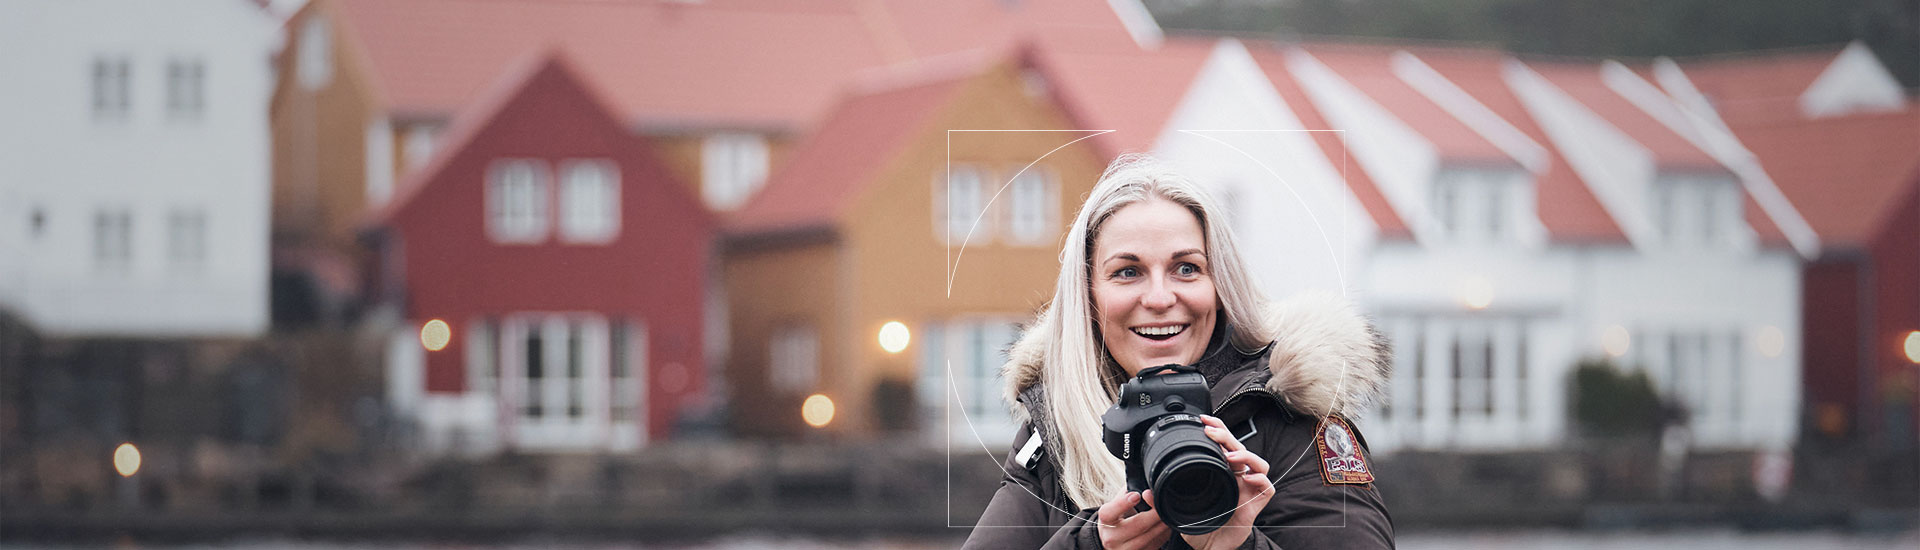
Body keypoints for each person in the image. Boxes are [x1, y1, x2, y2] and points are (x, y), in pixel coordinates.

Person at [961, 154, 1394, 549]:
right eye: (1127, 272)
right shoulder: (1057, 427)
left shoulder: (1289, 414)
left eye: (1186, 268)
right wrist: (1090, 545)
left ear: (1220, 287)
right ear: (1088, 299)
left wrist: (1237, 547)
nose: (1159, 297)